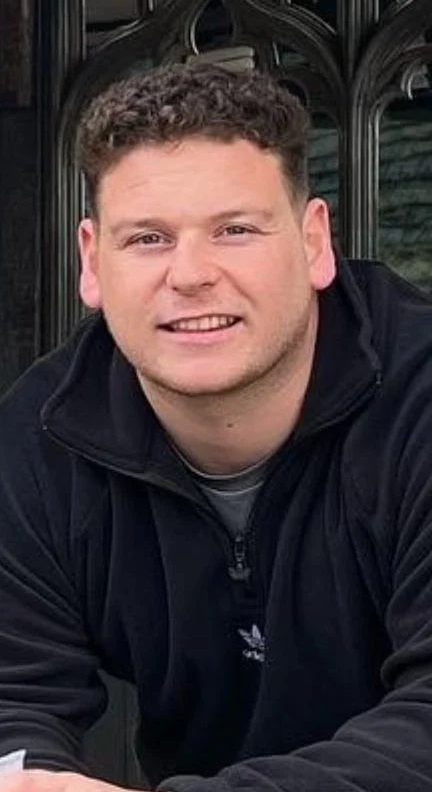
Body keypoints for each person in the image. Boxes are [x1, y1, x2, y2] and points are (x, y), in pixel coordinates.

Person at [0, 63, 432, 792]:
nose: (191, 274)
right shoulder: (42, 442)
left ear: (314, 242)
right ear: (92, 261)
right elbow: (11, 699)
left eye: (235, 230)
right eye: (148, 239)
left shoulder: (416, 401)